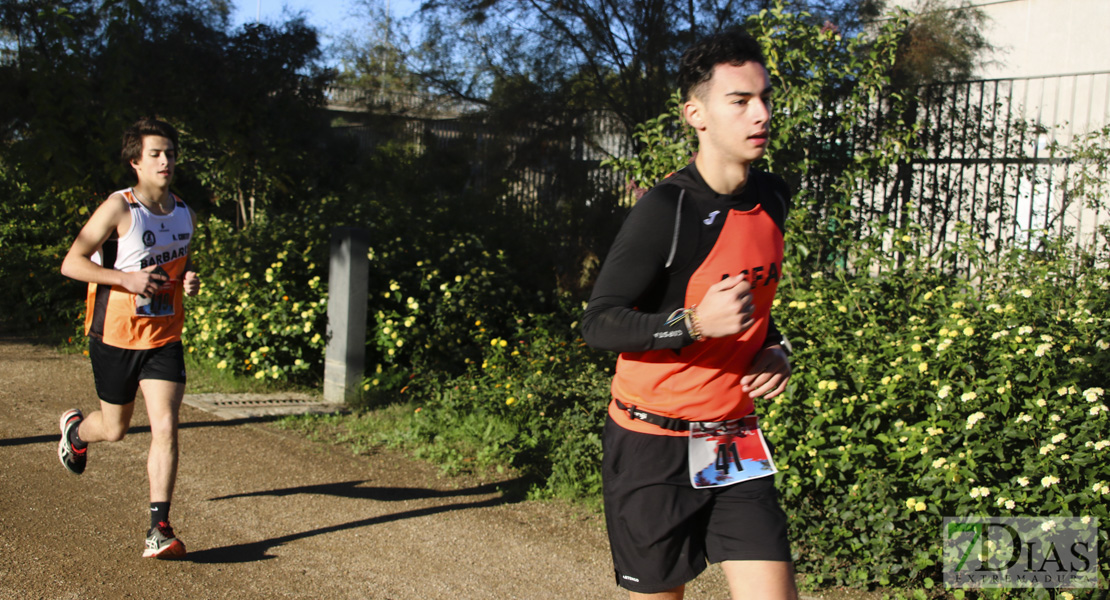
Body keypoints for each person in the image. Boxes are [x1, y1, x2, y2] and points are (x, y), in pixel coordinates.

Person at [581, 27, 799, 600]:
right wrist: (694, 324)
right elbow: (598, 322)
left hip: (733, 440)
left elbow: (756, 306)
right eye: (740, 100)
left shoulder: (773, 197)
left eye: (765, 97)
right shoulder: (667, 209)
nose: (760, 113)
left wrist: (777, 349)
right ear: (695, 114)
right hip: (653, 442)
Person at [57, 117, 200, 559]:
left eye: (170, 153)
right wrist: (125, 280)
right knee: (115, 429)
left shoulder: (183, 212)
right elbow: (72, 264)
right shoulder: (118, 208)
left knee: (166, 426)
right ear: (135, 161)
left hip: (163, 337)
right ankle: (77, 433)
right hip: (116, 335)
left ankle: (159, 528)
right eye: (155, 153)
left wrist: (189, 280)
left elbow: (174, 271)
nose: (165, 160)